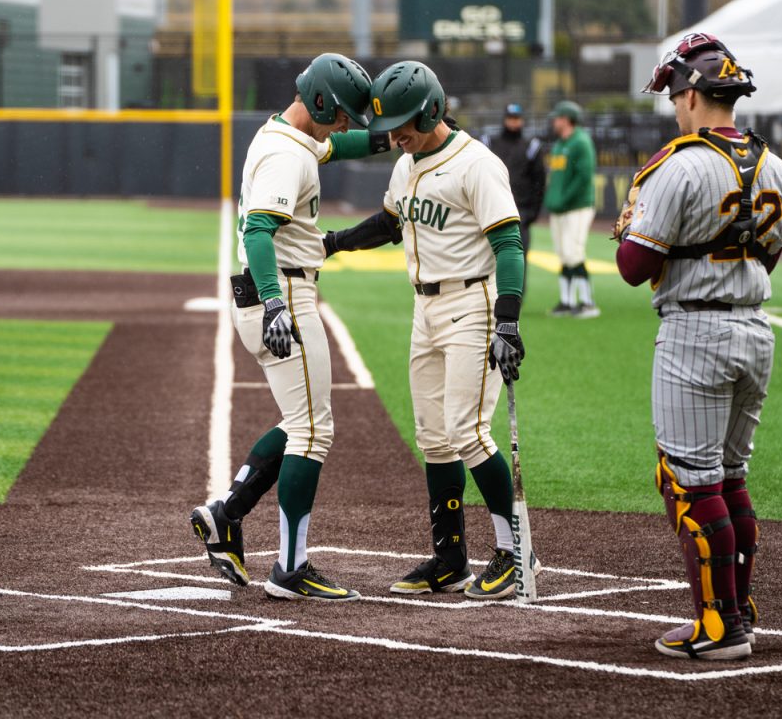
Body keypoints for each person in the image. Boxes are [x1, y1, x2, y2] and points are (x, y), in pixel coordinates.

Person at [613, 32, 782, 660]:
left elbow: (633, 267)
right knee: (730, 477)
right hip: (754, 328)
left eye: (673, 92)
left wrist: (629, 225)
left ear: (691, 92)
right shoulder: (780, 168)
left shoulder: (678, 163)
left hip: (694, 330)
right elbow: (768, 257)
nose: (671, 103)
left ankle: (718, 627)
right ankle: (740, 609)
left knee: (689, 483)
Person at [324, 60, 528, 601]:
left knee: (468, 431)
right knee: (434, 438)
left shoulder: (476, 164)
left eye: (404, 126)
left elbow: (509, 245)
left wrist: (507, 321)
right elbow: (390, 224)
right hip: (425, 309)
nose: (395, 137)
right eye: (391, 128)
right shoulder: (408, 163)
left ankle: (514, 553)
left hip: (472, 304)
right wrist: (334, 243)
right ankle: (450, 559)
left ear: (433, 110)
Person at [190, 52, 387, 601]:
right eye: (343, 112)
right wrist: (277, 304)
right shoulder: (285, 156)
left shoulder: (290, 135)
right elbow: (257, 232)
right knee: (313, 430)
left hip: (273, 292)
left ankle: (226, 515)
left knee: (302, 419)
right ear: (322, 102)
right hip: (280, 293)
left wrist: (391, 138)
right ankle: (290, 568)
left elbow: (336, 144)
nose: (347, 123)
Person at [544, 99, 599, 318]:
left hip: (577, 206)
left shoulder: (580, 142)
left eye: (557, 118)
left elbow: (584, 177)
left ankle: (587, 302)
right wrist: (552, 199)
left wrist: (564, 199)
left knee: (573, 251)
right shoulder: (560, 144)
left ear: (567, 119)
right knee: (563, 254)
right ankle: (567, 301)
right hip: (559, 208)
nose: (554, 122)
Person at [484, 103, 545, 266]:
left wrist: (532, 213)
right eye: (510, 118)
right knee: (488, 263)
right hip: (492, 211)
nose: (513, 122)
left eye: (516, 119)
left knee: (517, 263)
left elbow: (539, 182)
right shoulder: (489, 144)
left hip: (520, 214)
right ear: (504, 119)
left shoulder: (531, 147)